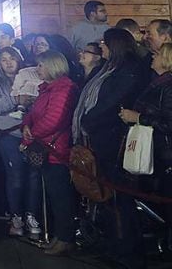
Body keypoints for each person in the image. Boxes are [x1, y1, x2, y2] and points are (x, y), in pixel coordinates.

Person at [74, 28, 150, 267]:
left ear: (114, 45)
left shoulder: (127, 70)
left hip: (114, 140)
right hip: (102, 137)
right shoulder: (111, 69)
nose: (101, 47)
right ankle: (115, 244)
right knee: (107, 196)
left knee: (118, 196)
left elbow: (111, 102)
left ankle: (126, 251)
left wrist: (88, 120)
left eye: (104, 43)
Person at [21, 51, 79, 257]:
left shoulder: (64, 90)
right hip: (45, 148)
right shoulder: (47, 90)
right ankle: (60, 235)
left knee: (60, 196)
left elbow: (55, 119)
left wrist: (31, 133)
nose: (38, 69)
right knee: (54, 196)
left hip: (56, 150)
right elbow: (33, 113)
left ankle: (65, 237)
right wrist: (27, 125)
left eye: (41, 66)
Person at [118, 43, 172, 233]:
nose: (152, 57)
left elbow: (169, 123)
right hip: (155, 150)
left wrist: (138, 117)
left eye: (157, 55)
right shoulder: (157, 83)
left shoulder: (168, 87)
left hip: (164, 154)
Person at [0, 46, 33, 237]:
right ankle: (16, 216)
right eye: (4, 59)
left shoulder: (31, 78)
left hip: (34, 135)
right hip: (9, 135)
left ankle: (32, 215)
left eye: (11, 58)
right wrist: (16, 99)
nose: (8, 63)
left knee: (33, 177)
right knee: (15, 177)